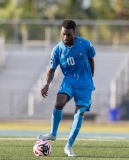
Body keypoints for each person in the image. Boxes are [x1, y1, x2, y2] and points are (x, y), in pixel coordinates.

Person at [38, 19, 96, 157]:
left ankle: (69, 146)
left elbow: (91, 60)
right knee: (59, 103)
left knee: (79, 113)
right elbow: (52, 69)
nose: (65, 37)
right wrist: (47, 84)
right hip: (69, 81)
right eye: (63, 34)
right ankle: (52, 133)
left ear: (74, 33)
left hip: (85, 84)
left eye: (68, 34)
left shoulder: (86, 45)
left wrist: (90, 78)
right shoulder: (57, 49)